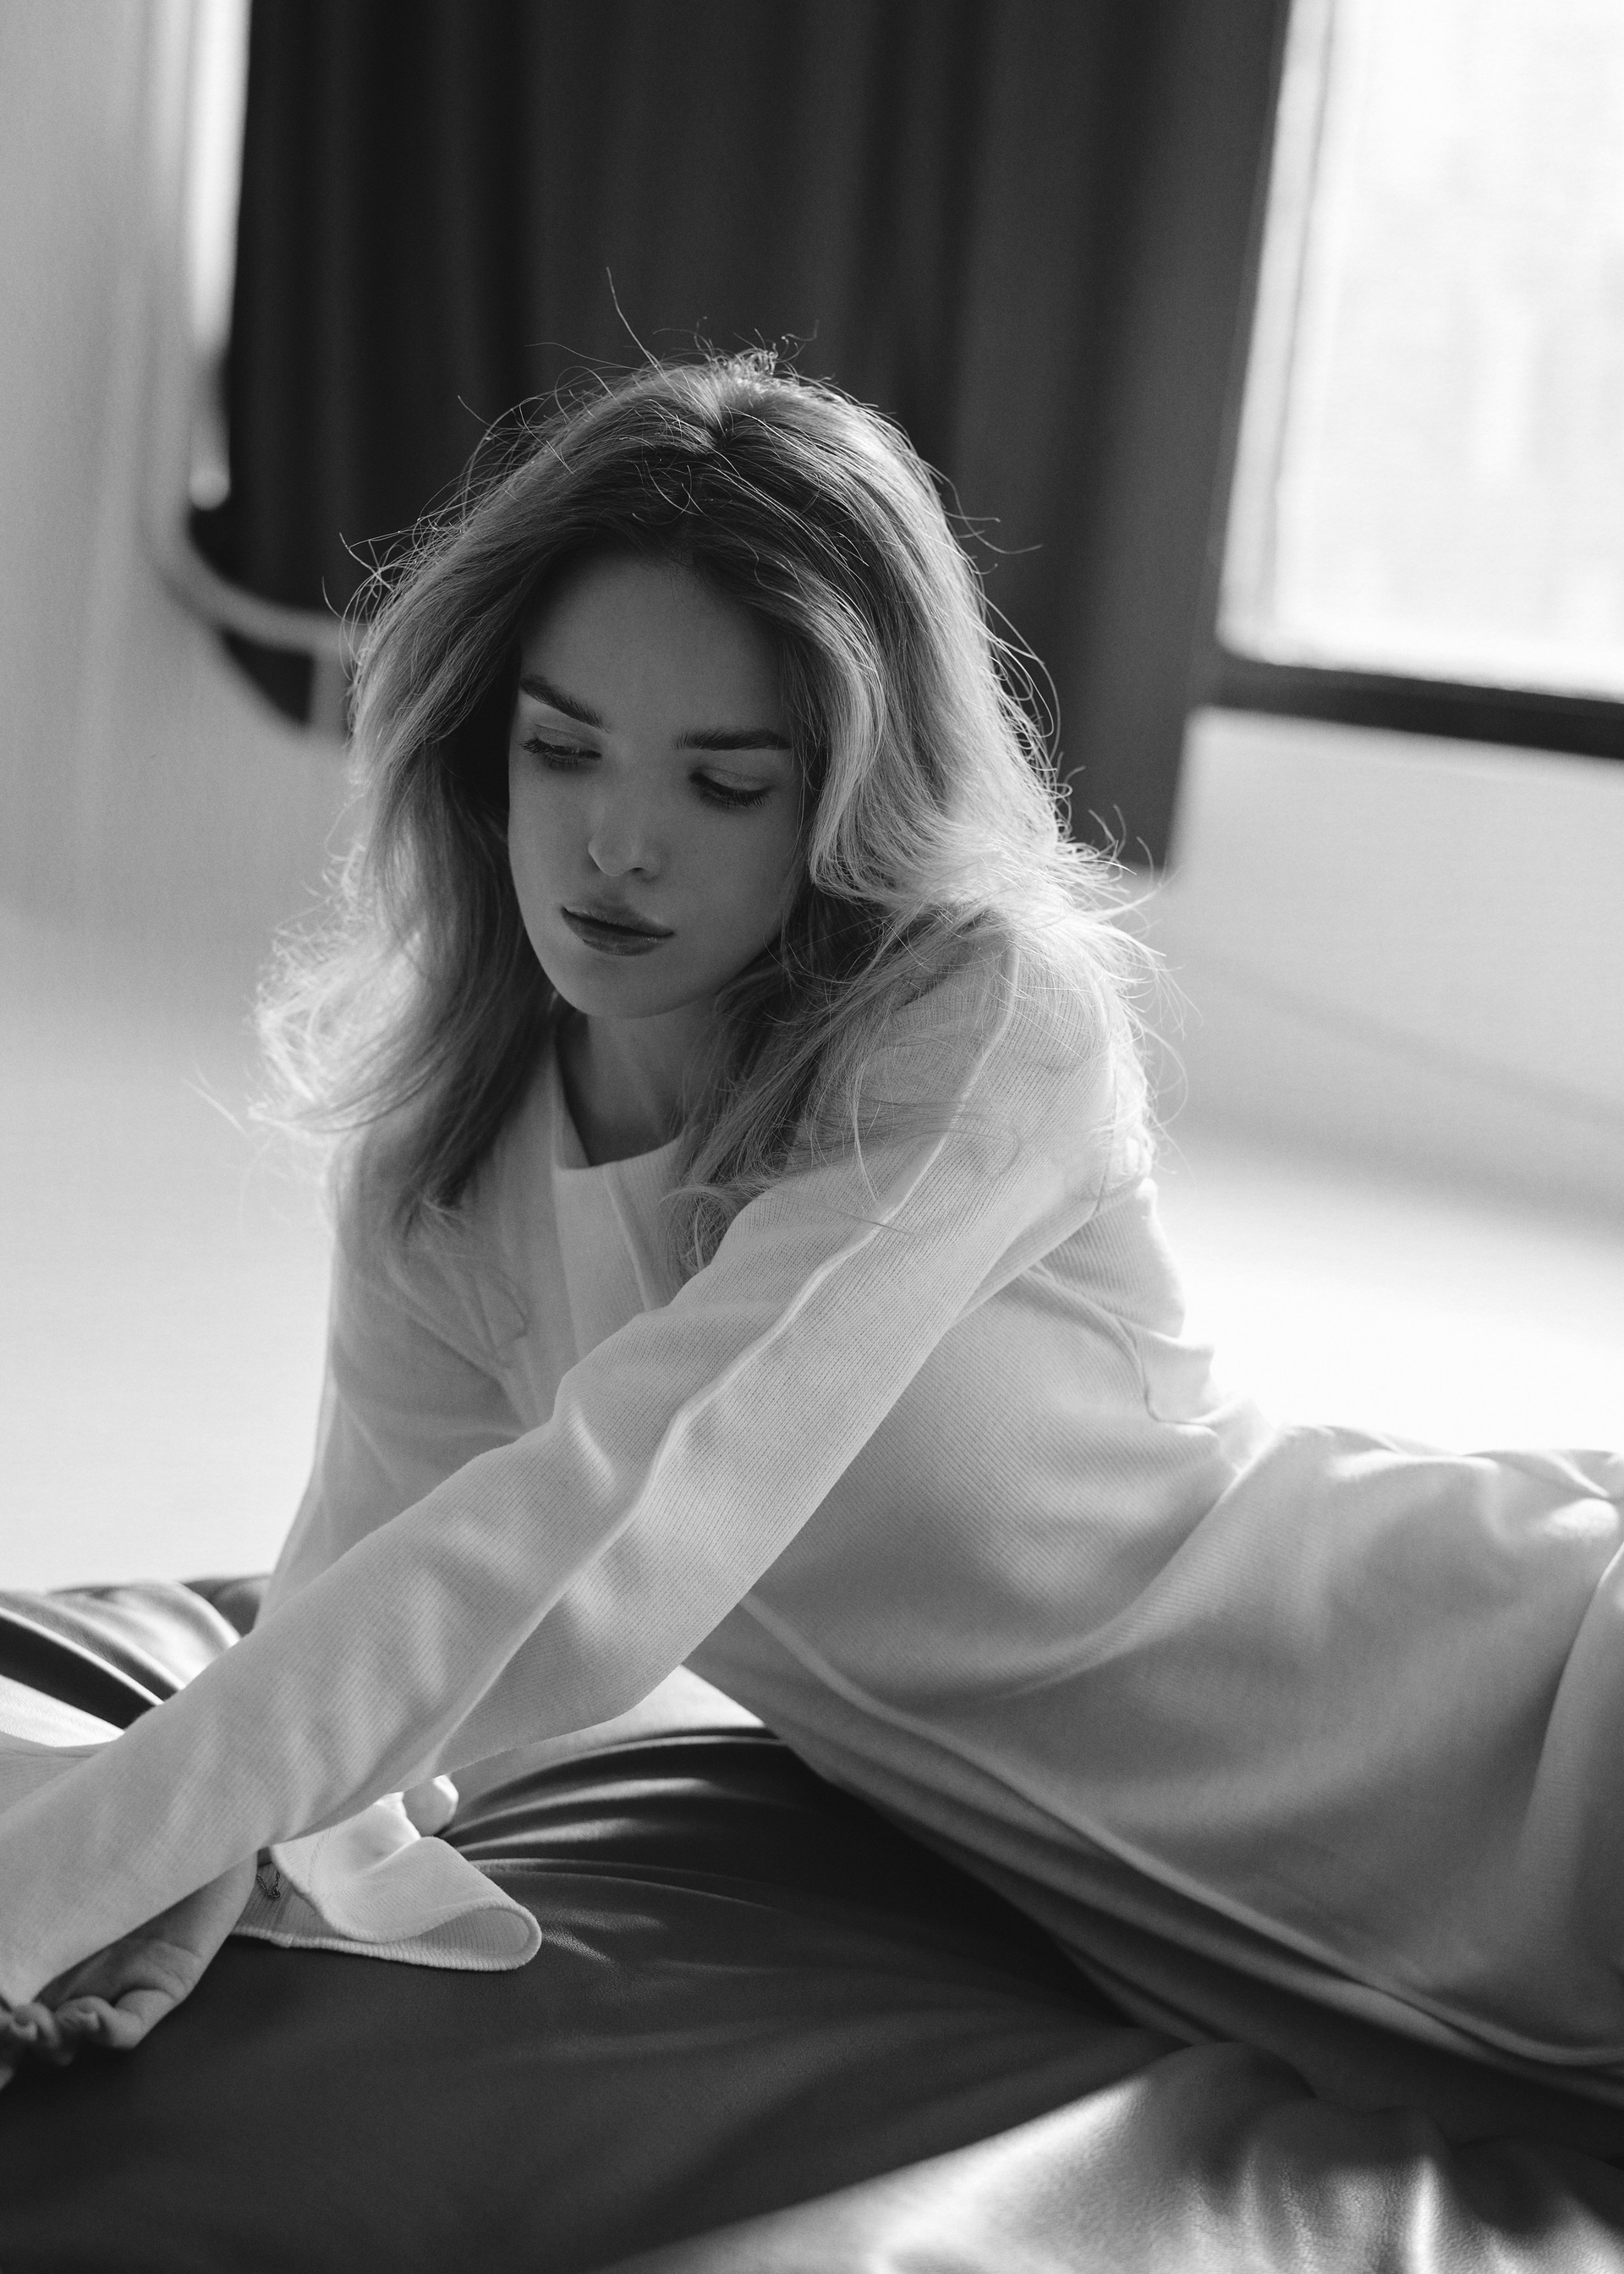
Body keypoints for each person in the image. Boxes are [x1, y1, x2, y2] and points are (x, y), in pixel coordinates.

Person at [3, 355, 1621, 2106]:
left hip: (1521, 1723)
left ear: (847, 795)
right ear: (482, 748)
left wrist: (39, 1887)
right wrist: (182, 1869)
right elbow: (363, 1621)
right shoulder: (444, 1169)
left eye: (726, 783)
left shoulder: (977, 1025)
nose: (618, 845)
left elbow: (631, 1514)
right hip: (1305, 1955)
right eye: (563, 749)